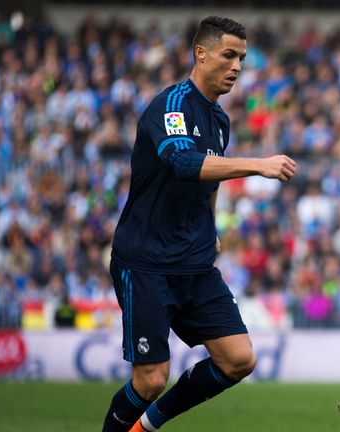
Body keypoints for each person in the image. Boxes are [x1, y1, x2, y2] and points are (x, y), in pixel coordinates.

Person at [101, 16, 297, 432]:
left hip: (194, 261)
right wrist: (258, 165)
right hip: (147, 262)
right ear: (201, 53)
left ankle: (144, 428)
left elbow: (211, 182)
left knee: (238, 359)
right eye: (229, 55)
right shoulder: (170, 106)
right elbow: (184, 162)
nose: (237, 66)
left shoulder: (219, 120)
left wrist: (212, 227)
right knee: (151, 379)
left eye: (242, 58)